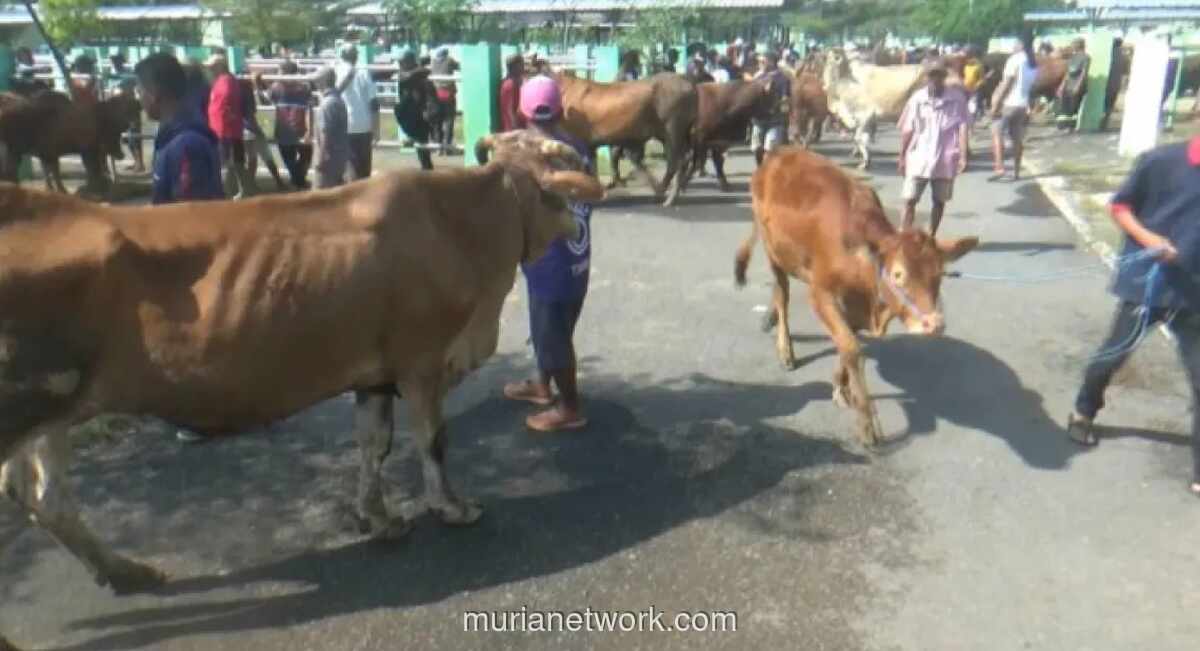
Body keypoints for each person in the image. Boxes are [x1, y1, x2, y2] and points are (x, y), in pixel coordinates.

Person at [1066, 137, 1200, 497]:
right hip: (1148, 285)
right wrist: (1150, 239)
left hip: (1194, 292)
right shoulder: (1159, 161)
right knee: (1113, 355)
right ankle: (1083, 411)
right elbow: (1120, 206)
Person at [502, 75, 594, 433]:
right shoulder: (577, 147)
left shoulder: (525, 156)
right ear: (561, 109)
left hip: (549, 262)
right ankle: (542, 386)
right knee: (550, 328)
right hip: (575, 259)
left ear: (523, 112)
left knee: (552, 336)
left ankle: (570, 406)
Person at [134, 52, 223, 205]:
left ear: (154, 94)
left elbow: (190, 216)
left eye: (140, 91)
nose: (138, 98)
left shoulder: (186, 145)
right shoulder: (171, 139)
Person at [898, 59, 970, 237]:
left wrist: (963, 155)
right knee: (909, 199)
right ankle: (905, 236)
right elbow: (908, 129)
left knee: (939, 201)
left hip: (945, 159)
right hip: (918, 157)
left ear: (944, 77)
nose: (935, 79)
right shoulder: (917, 100)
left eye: (939, 75)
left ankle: (931, 236)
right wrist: (901, 156)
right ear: (925, 78)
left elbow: (962, 128)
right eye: (931, 75)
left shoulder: (956, 99)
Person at [256, 59, 314, 189]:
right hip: (293, 129)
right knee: (296, 158)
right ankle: (298, 180)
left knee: (296, 157)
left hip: (292, 130)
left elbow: (265, 102)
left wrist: (259, 85)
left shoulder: (297, 88)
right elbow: (266, 103)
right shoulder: (298, 87)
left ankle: (297, 179)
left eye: (280, 71)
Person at [990, 34, 1037, 180]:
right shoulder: (1032, 63)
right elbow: (1033, 87)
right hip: (1023, 105)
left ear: (1021, 44)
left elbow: (1007, 83)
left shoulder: (1015, 60)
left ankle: (999, 167)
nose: (1013, 46)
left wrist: (996, 105)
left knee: (996, 132)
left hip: (1009, 103)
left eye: (1015, 43)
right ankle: (1016, 171)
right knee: (1017, 139)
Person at [206, 54, 250, 198]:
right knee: (232, 162)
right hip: (222, 128)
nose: (210, 70)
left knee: (228, 163)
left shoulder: (226, 81)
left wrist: (227, 115)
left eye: (212, 67)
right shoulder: (222, 80)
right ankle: (240, 190)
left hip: (226, 129)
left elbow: (227, 98)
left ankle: (228, 192)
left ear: (220, 66)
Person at [335, 44, 380, 180]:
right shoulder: (363, 71)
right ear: (356, 55)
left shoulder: (336, 70)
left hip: (344, 124)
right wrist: (376, 129)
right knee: (365, 166)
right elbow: (374, 103)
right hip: (364, 124)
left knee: (350, 165)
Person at [394, 50, 437, 171]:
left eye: (402, 62)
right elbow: (404, 78)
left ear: (410, 62)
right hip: (411, 115)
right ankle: (427, 168)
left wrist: (418, 72)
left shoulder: (421, 76)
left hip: (423, 113)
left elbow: (426, 71)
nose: (400, 65)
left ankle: (427, 170)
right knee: (398, 108)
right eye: (400, 63)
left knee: (422, 147)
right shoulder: (405, 74)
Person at [750, 52, 792, 166]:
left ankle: (767, 172)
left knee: (770, 150)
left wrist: (777, 105)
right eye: (759, 62)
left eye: (763, 61)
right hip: (758, 120)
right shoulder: (757, 77)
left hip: (774, 121)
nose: (760, 64)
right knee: (757, 148)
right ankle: (760, 169)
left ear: (771, 62)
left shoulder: (782, 79)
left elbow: (785, 99)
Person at [312, 66, 349, 189]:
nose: (316, 83)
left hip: (328, 161)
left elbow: (325, 133)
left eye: (317, 80)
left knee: (319, 197)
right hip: (339, 157)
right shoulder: (338, 100)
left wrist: (321, 158)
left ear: (323, 81)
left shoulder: (327, 104)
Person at [109, 53, 146, 174]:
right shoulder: (114, 76)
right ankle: (137, 162)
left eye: (116, 61)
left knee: (134, 136)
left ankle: (140, 163)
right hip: (119, 110)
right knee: (126, 138)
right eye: (113, 62)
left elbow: (131, 91)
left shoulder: (128, 75)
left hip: (130, 109)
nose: (114, 64)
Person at [430, 47, 460, 156]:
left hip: (435, 94)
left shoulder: (433, 62)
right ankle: (447, 147)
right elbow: (460, 67)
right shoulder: (449, 60)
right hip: (448, 94)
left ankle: (438, 147)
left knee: (437, 122)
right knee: (449, 120)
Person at [1056, 37, 1090, 130]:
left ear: (1079, 45)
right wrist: (1062, 86)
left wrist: (1078, 86)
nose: (1072, 46)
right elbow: (1067, 73)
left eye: (1074, 44)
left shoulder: (1086, 57)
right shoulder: (1073, 57)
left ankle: (1071, 127)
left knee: (1074, 107)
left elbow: (1084, 73)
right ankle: (1064, 126)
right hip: (1069, 85)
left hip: (1077, 86)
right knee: (1065, 106)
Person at [499, 53, 526, 132]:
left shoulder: (515, 82)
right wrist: (515, 127)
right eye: (522, 65)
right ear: (515, 67)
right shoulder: (509, 84)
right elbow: (508, 109)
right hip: (512, 129)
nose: (523, 68)